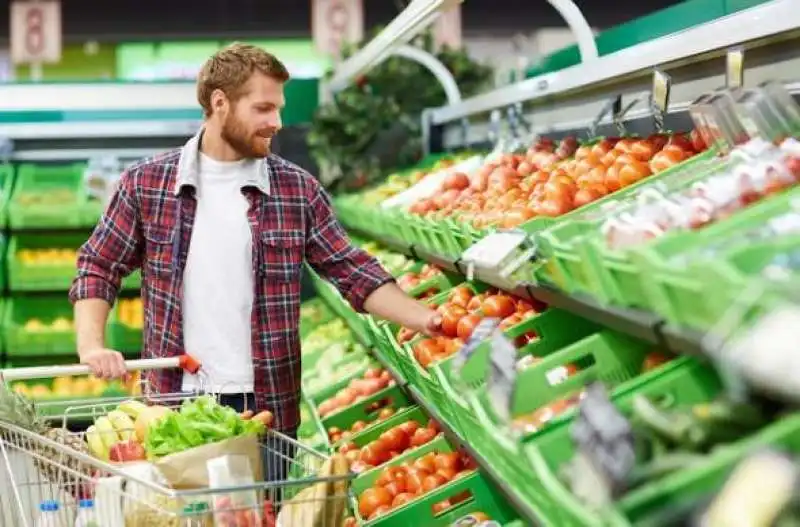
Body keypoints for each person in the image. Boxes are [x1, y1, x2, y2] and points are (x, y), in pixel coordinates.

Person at [69, 43, 441, 482]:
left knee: (263, 514)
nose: (277, 122)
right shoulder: (148, 184)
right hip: (174, 405)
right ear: (219, 103)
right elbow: (98, 265)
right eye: (263, 108)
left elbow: (351, 271)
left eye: (279, 108)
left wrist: (429, 320)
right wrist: (91, 344)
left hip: (266, 408)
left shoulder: (295, 190)